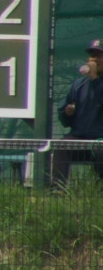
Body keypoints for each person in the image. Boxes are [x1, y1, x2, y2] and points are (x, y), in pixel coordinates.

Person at [51, 39, 103, 189]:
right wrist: (67, 113)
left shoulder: (95, 82)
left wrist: (95, 79)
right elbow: (64, 120)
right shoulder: (78, 85)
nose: (94, 59)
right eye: (92, 55)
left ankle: (98, 193)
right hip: (80, 139)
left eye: (98, 55)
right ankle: (57, 191)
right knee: (62, 146)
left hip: (101, 141)